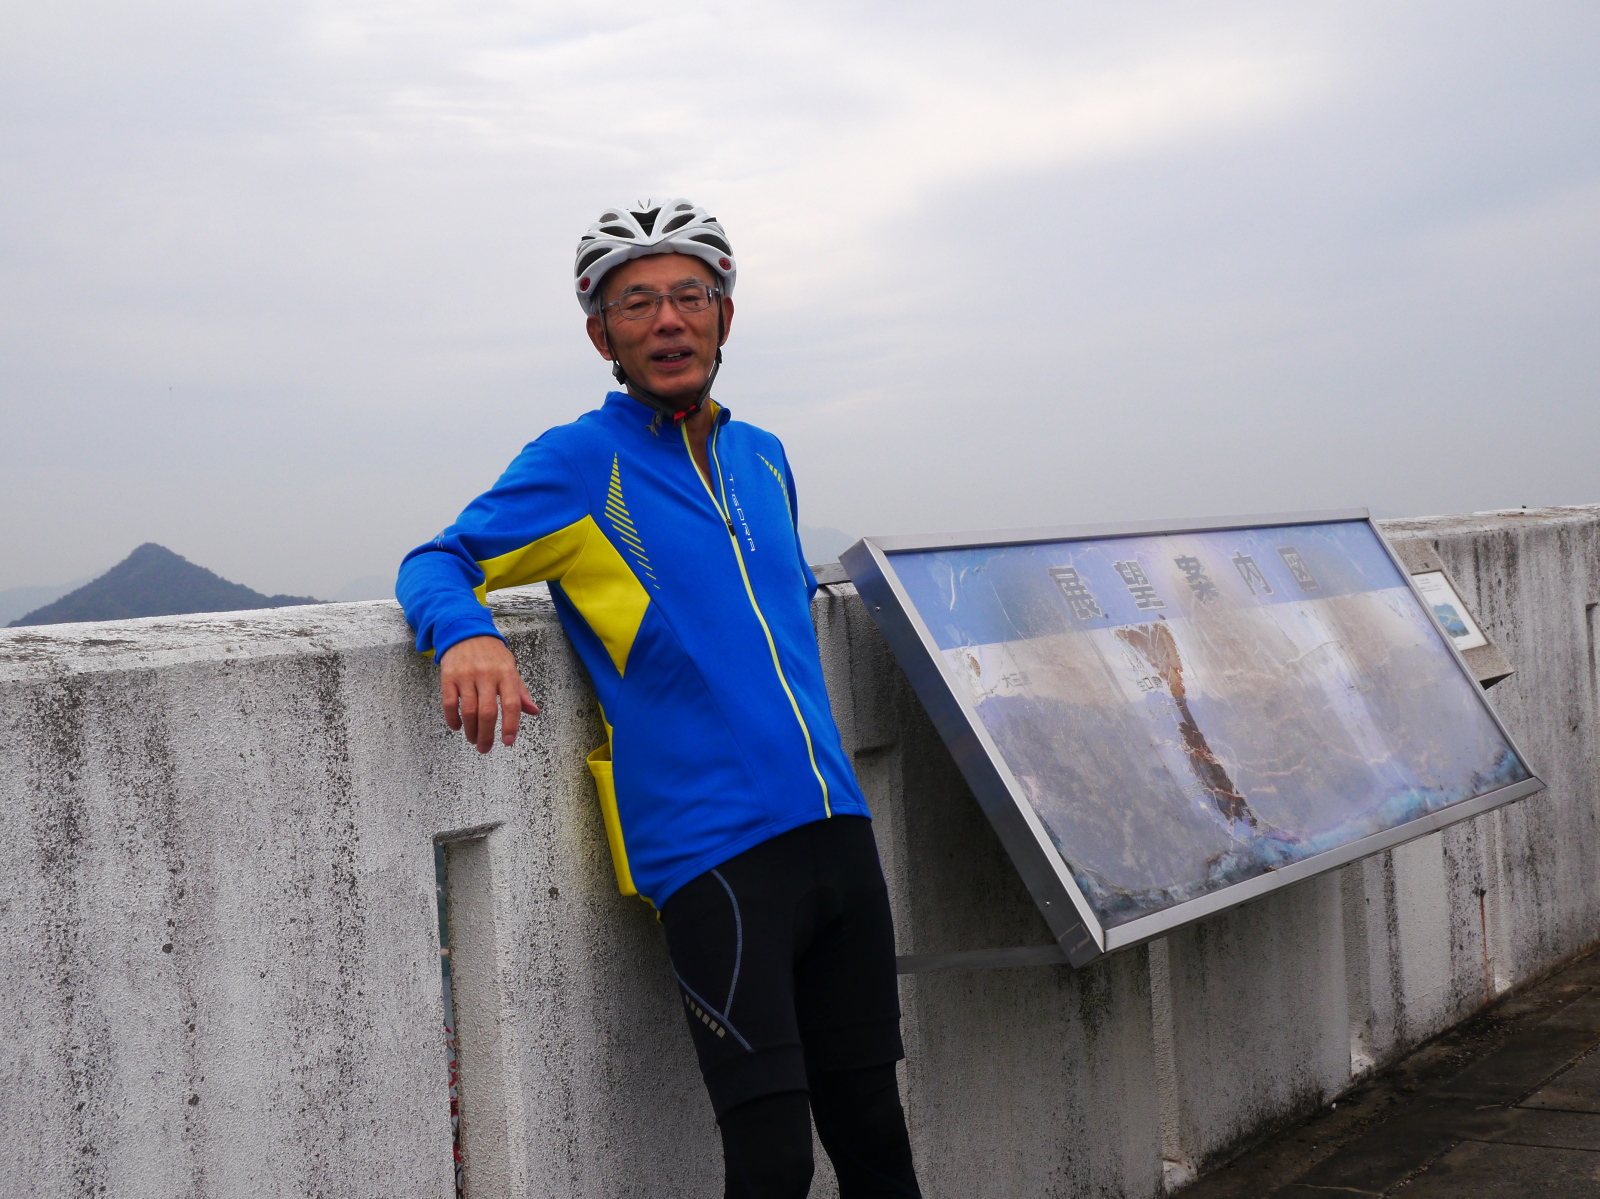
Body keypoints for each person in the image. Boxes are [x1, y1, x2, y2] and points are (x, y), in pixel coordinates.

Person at [397, 198, 922, 1198]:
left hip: (836, 831)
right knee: (771, 1158)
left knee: (875, 1133)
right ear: (603, 336)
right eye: (636, 304)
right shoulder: (578, 465)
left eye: (690, 295)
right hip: (713, 851)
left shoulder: (764, 455)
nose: (668, 320)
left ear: (726, 316)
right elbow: (438, 558)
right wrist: (464, 632)